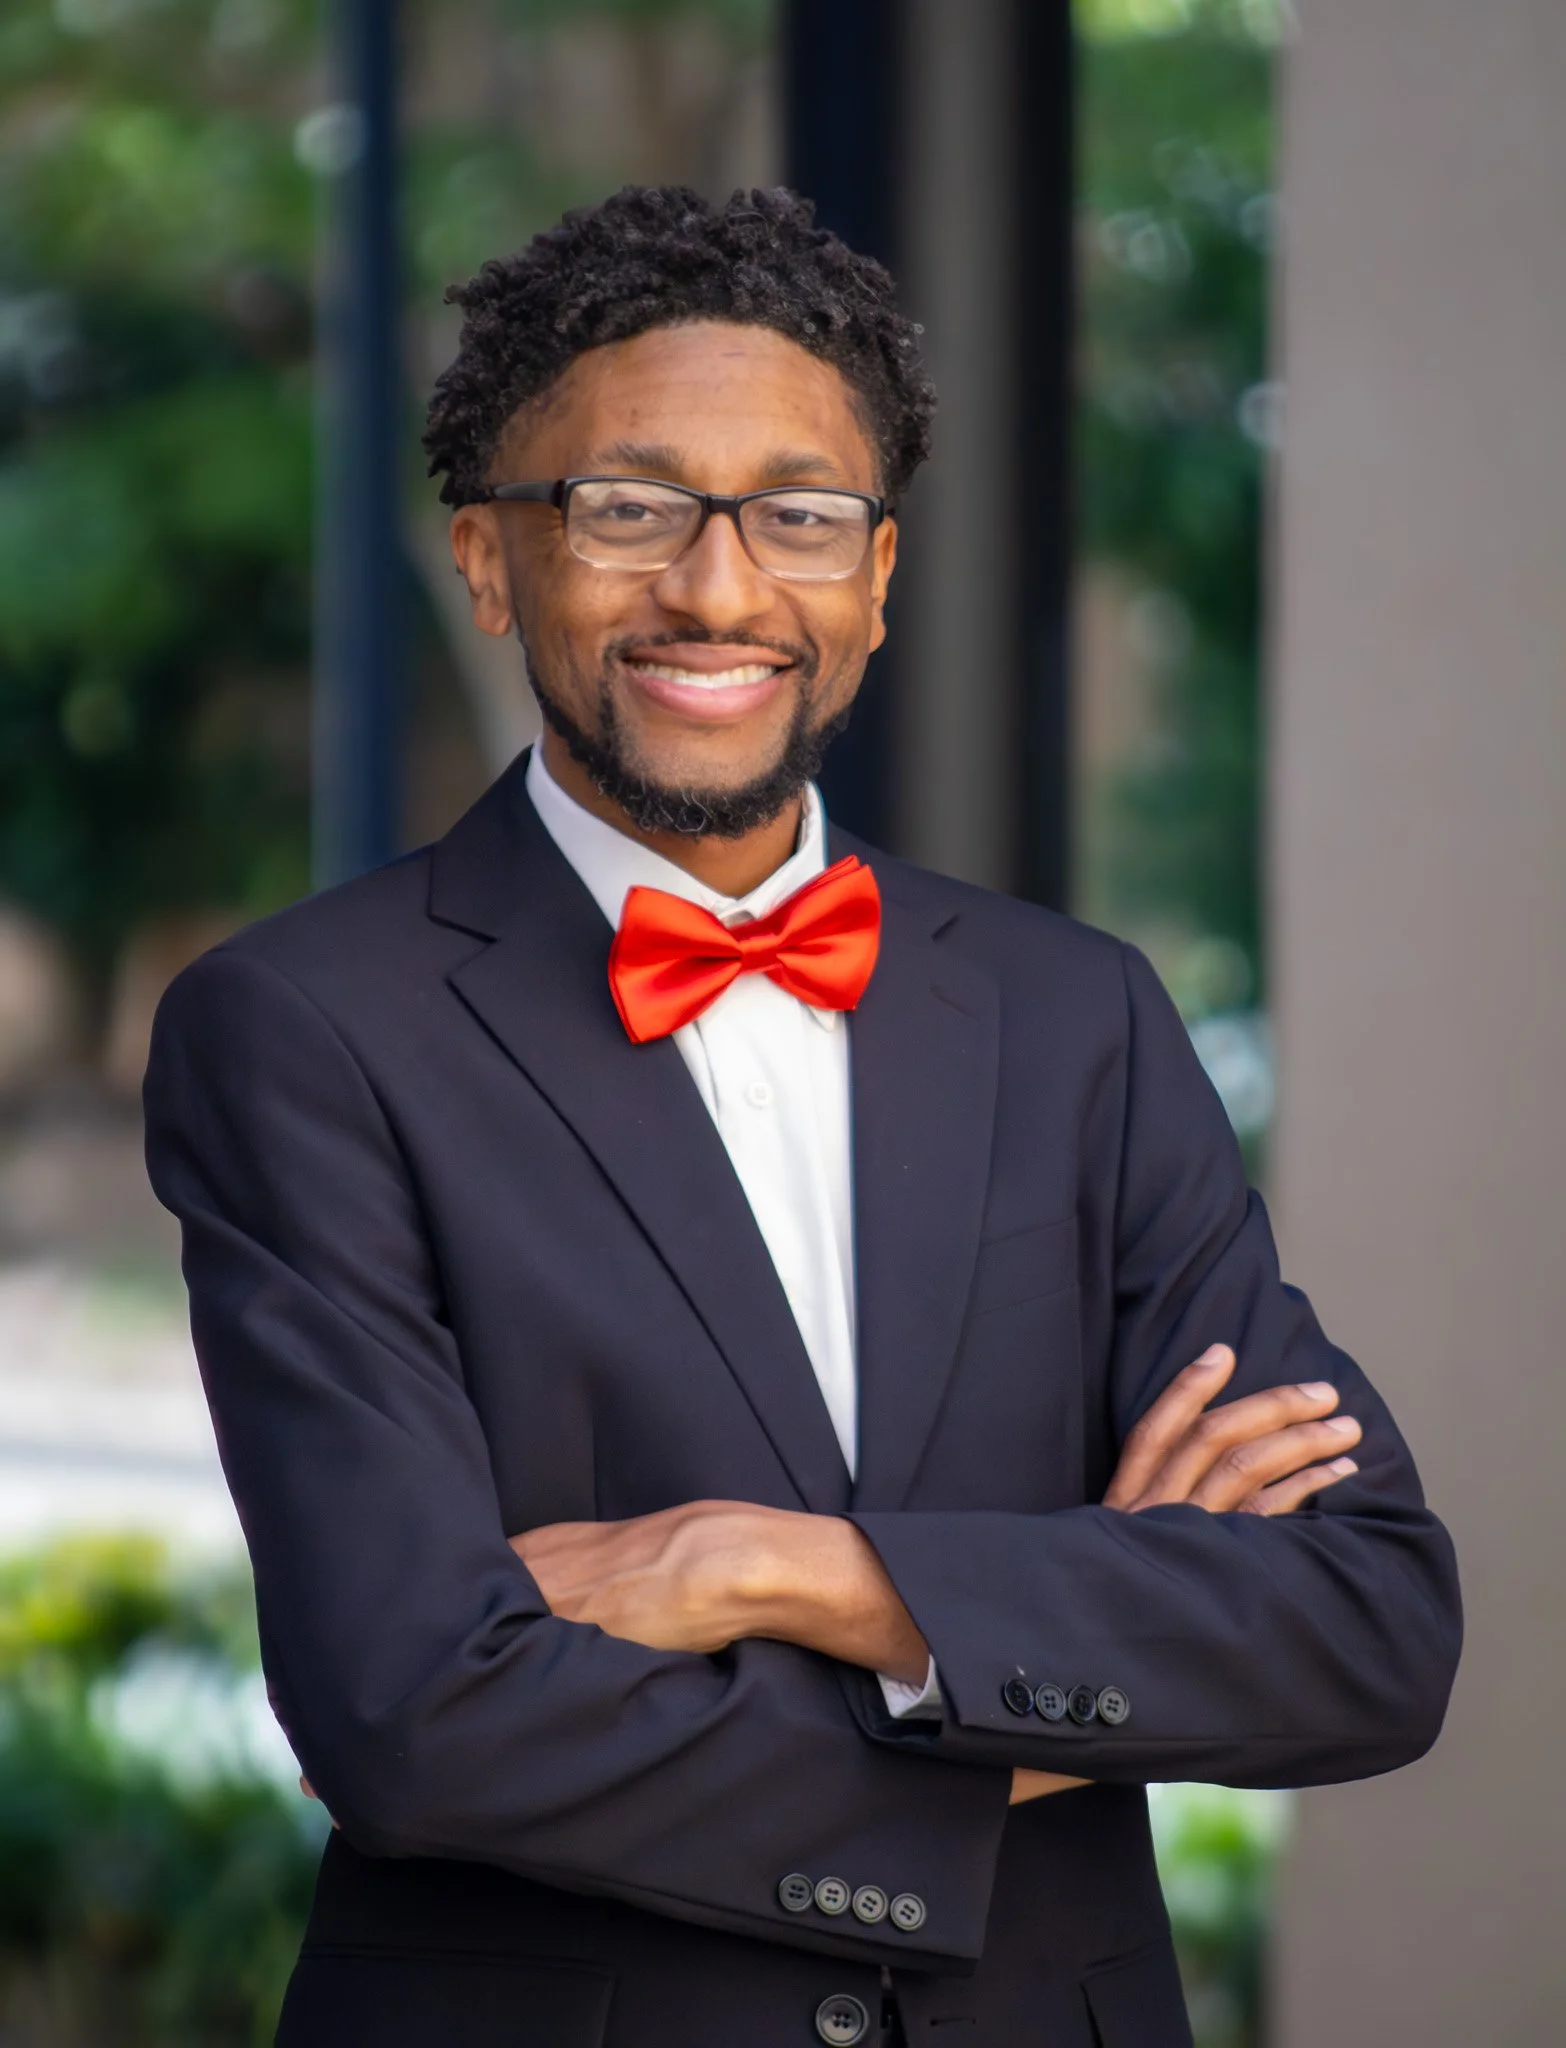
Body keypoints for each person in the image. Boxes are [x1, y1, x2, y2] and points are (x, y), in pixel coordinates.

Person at [143, 187, 1460, 2048]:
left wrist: (768, 1569)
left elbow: (1361, 1627)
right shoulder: (296, 1031)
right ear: (486, 559)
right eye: (627, 508)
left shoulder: (1071, 1013)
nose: (719, 586)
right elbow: (412, 1713)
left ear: (877, 575)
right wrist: (1048, 1649)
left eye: (799, 514)